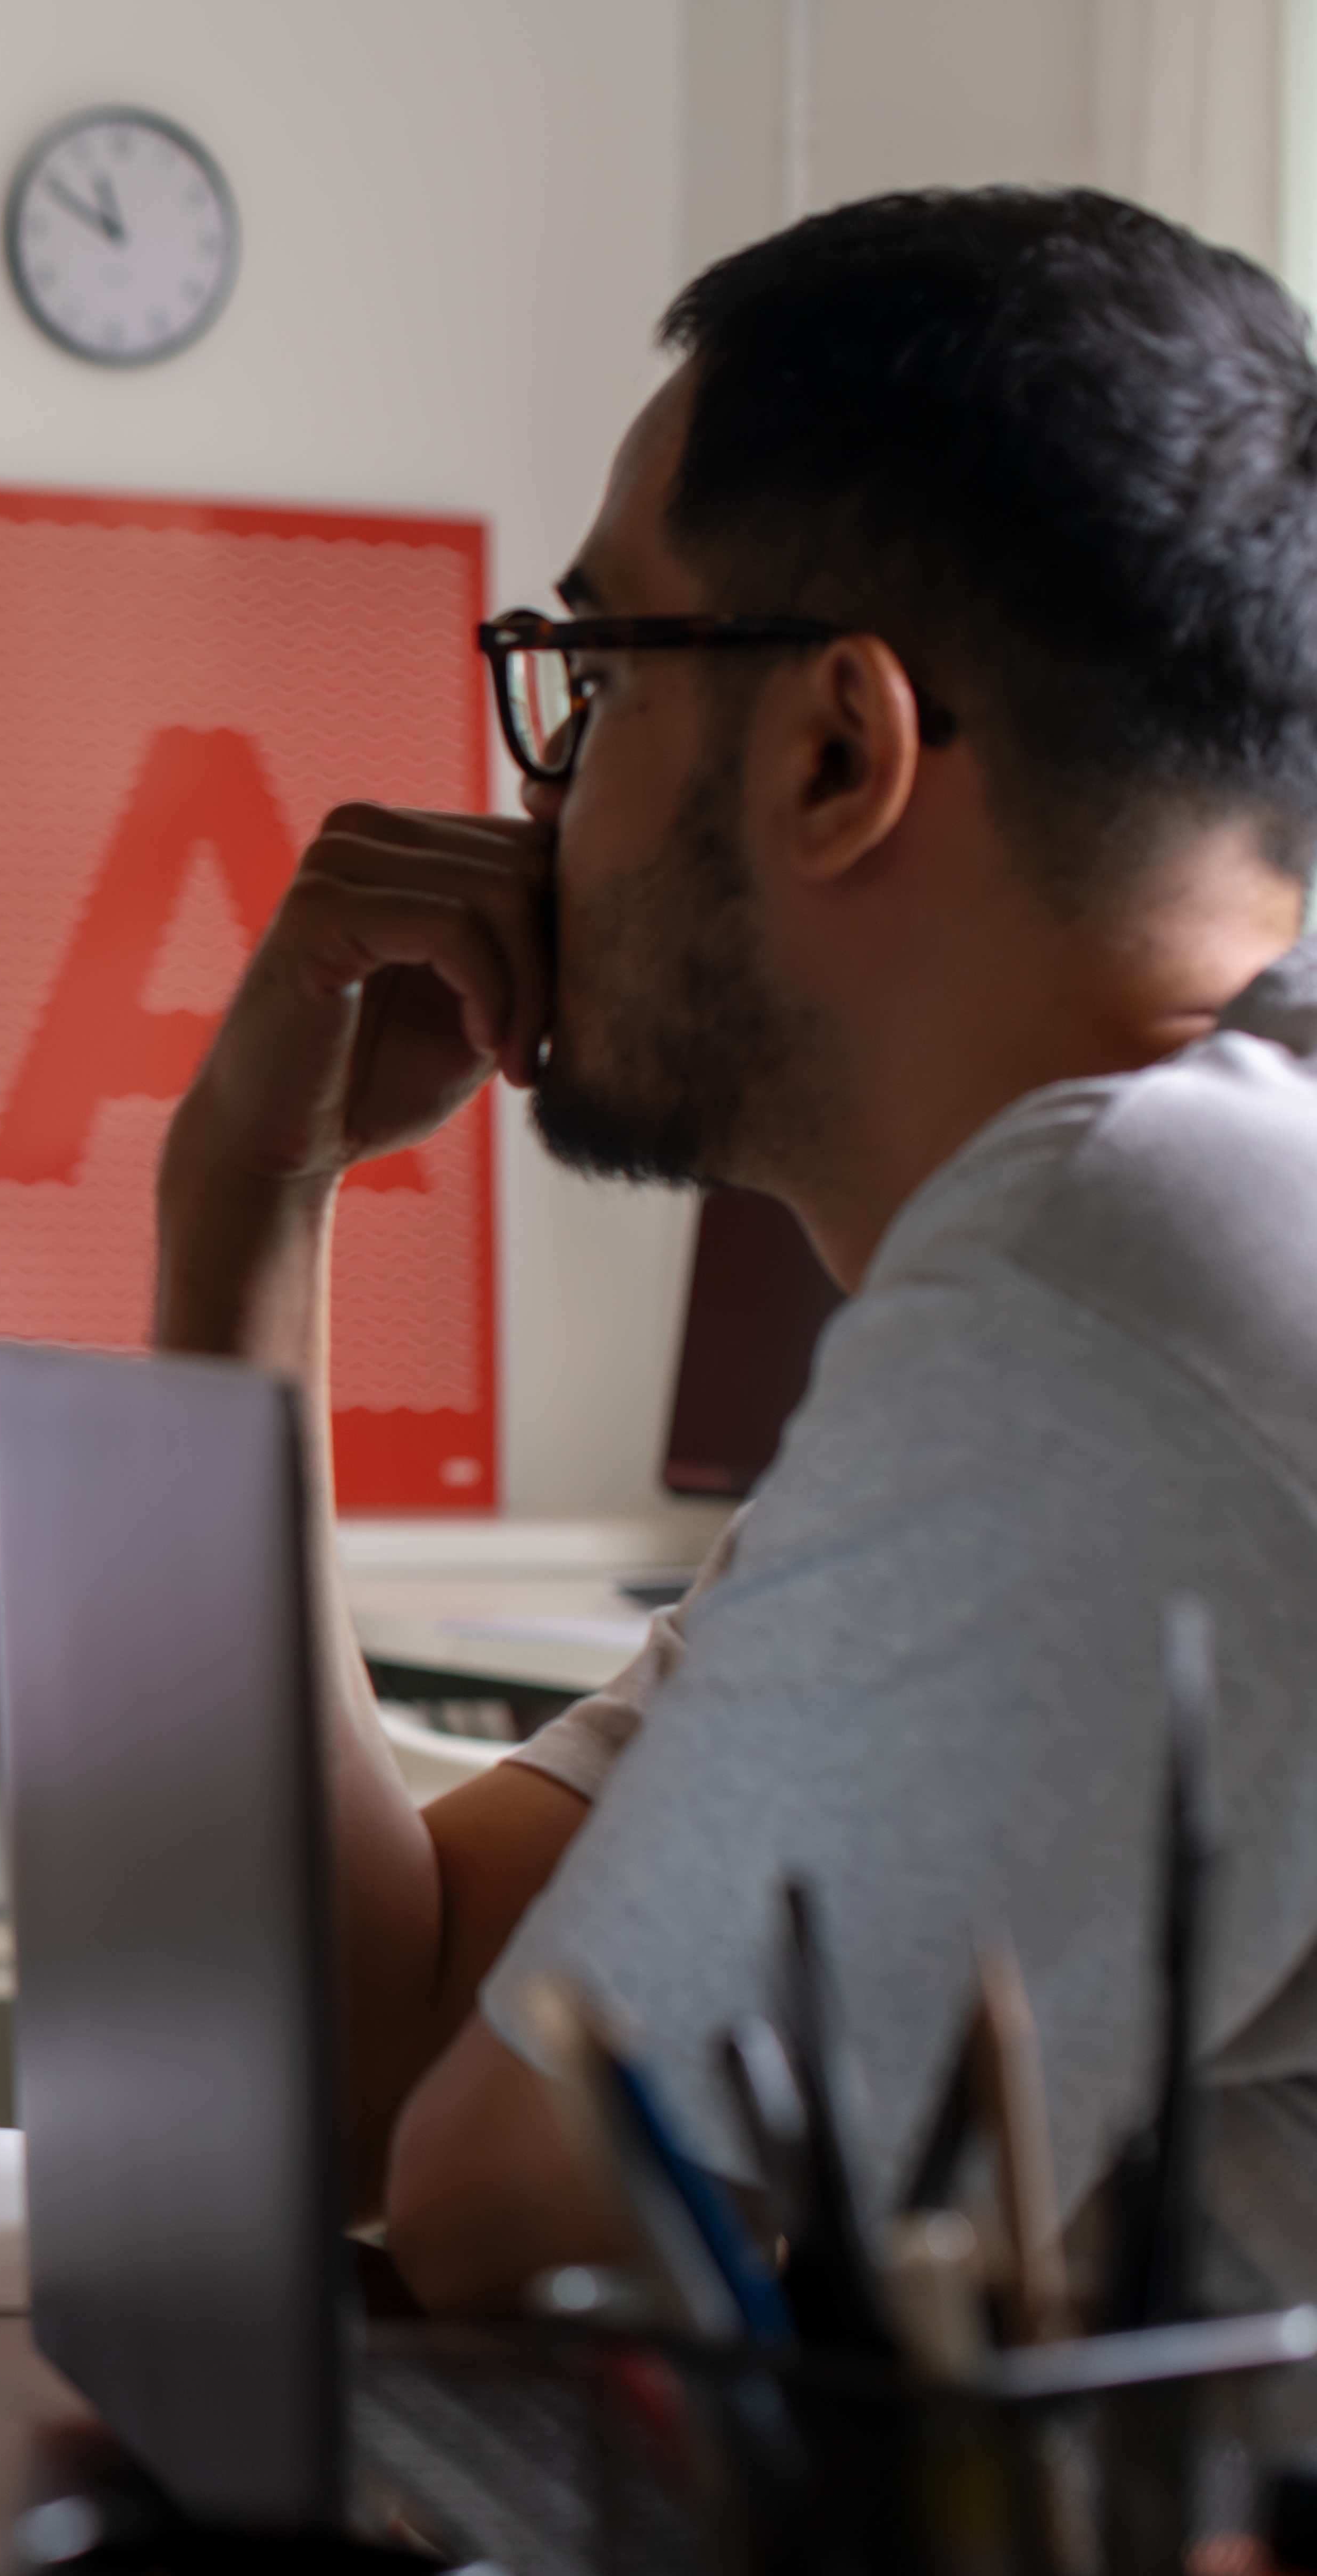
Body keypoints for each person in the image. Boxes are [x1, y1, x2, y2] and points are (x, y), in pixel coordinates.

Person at [151, 187, 1317, 2314]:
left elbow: (512, 2220)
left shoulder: (1135, 1263)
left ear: (835, 748)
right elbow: (352, 2056)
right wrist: (247, 1182)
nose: (542, 792)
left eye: (591, 674)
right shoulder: (1113, 1254)